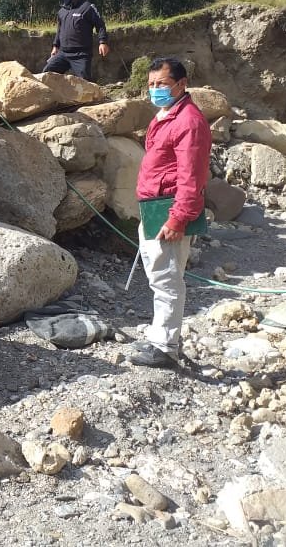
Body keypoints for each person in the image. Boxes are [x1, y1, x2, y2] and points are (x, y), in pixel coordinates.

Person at [128, 57, 212, 367]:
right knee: (158, 276)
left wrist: (179, 217)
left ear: (181, 84)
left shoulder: (189, 121)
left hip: (168, 212)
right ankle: (160, 338)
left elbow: (192, 176)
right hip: (153, 208)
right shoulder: (166, 115)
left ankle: (165, 348)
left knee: (167, 279)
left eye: (161, 84)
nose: (155, 90)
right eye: (151, 85)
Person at [43, 0, 109, 80]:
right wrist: (55, 46)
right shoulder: (62, 11)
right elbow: (60, 29)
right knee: (47, 74)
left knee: (85, 82)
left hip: (81, 54)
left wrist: (103, 42)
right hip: (63, 52)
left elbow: (100, 25)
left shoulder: (88, 8)